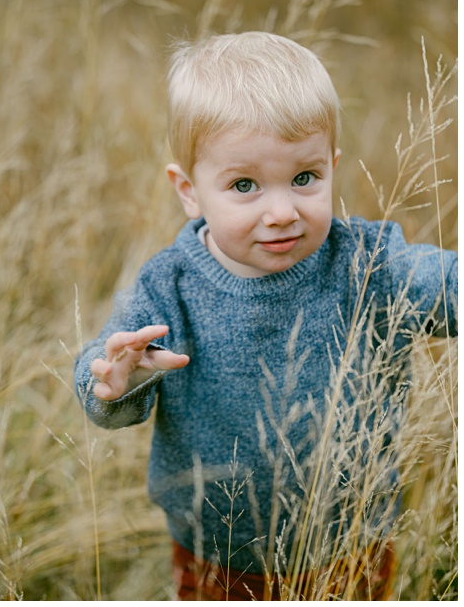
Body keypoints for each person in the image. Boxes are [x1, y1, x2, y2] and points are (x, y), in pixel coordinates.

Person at [74, 32, 456, 600]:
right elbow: (106, 382)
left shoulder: (367, 263)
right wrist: (114, 380)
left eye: (305, 178)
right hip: (215, 551)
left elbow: (447, 284)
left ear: (332, 167)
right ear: (189, 191)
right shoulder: (169, 285)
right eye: (244, 186)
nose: (282, 212)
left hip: (350, 544)